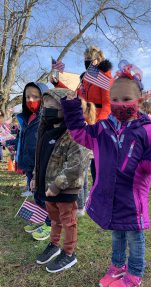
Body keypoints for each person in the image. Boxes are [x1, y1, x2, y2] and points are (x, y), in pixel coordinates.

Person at [61, 60, 151, 287]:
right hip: (109, 195)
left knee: (134, 236)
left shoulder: (146, 129)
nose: (120, 104)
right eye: (114, 99)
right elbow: (79, 132)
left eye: (126, 99)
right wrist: (71, 108)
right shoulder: (102, 127)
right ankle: (117, 267)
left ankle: (135, 273)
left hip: (132, 197)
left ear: (139, 100)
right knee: (116, 232)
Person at [31, 88, 90, 272]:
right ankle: (54, 245)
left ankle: (69, 252)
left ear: (64, 108)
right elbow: (39, 158)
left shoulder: (76, 134)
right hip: (48, 187)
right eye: (45, 105)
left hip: (65, 189)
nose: (46, 109)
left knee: (68, 221)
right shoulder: (45, 130)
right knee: (54, 219)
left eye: (52, 105)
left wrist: (57, 186)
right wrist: (35, 177)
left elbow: (76, 165)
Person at [52, 45, 113, 184]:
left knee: (99, 162)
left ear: (98, 60)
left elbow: (107, 105)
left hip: (99, 124)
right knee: (84, 161)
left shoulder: (105, 78)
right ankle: (88, 194)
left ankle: (101, 190)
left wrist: (99, 124)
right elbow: (75, 96)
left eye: (89, 59)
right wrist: (57, 83)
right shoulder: (85, 79)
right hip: (84, 123)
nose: (87, 62)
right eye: (85, 59)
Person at [17, 82, 48, 197]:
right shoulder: (26, 117)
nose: (30, 100)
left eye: (35, 97)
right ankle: (31, 190)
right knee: (29, 174)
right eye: (27, 97)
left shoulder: (46, 118)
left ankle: (36, 193)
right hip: (27, 154)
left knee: (38, 180)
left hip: (39, 157)